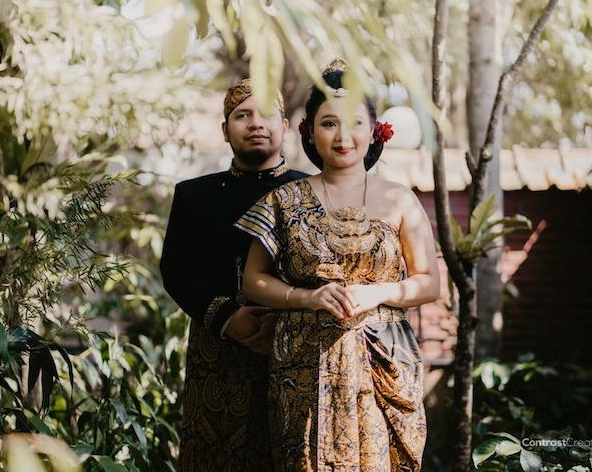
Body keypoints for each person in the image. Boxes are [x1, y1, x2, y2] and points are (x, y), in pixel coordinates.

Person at [234, 59, 440, 472]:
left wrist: (377, 293)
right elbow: (252, 281)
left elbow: (430, 283)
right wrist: (308, 298)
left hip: (384, 363)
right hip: (301, 369)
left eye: (354, 123)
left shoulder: (400, 199)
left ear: (374, 130)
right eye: (329, 123)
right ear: (310, 132)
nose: (343, 136)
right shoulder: (282, 200)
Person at [160, 78, 308, 471]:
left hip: (294, 351)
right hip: (217, 353)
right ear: (225, 131)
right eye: (243, 116)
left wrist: (282, 323)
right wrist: (227, 318)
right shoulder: (193, 196)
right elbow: (176, 269)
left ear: (284, 127)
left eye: (266, 115)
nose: (255, 123)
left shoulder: (312, 193)